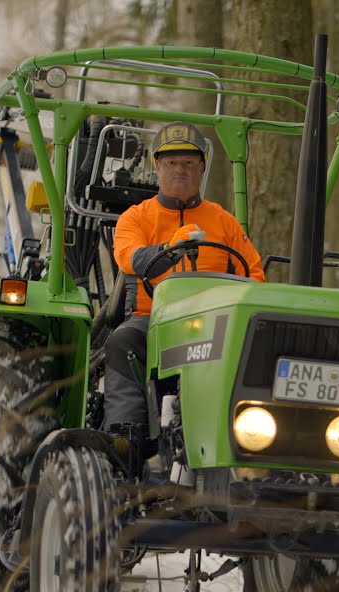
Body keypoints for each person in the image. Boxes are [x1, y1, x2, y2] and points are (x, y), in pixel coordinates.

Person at [104, 121, 266, 431]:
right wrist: (170, 248)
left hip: (215, 322)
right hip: (152, 320)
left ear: (202, 168)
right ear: (157, 168)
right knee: (122, 341)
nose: (181, 170)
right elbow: (129, 258)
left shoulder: (225, 222)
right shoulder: (136, 217)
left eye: (189, 163)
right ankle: (126, 439)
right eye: (172, 162)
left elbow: (254, 275)